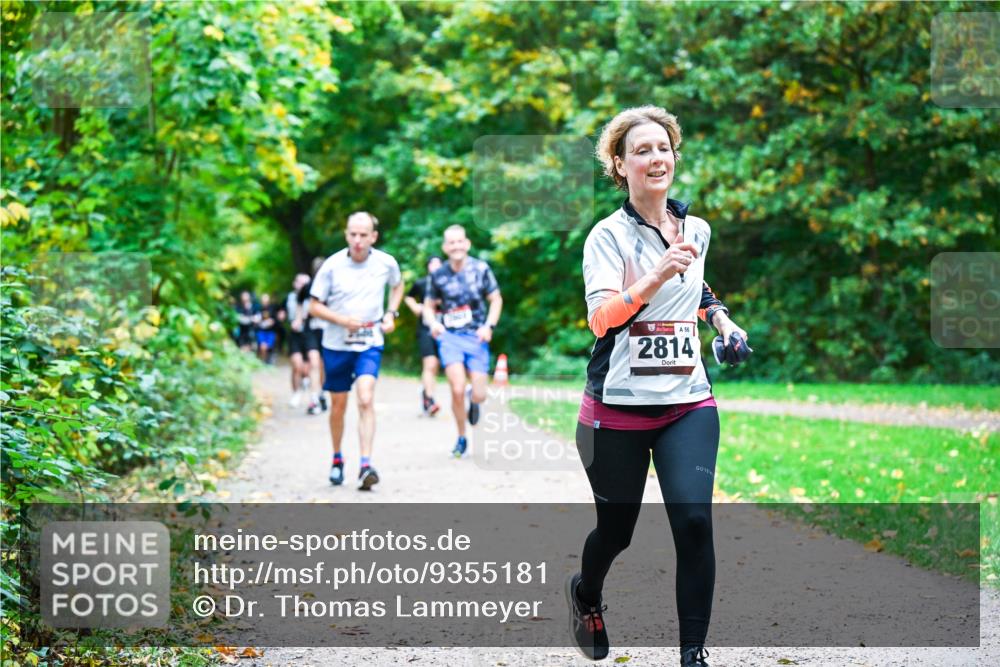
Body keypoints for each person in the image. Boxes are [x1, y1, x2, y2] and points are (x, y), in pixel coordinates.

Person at [566, 106, 749, 667]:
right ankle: (586, 593)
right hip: (616, 409)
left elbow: (696, 289)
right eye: (641, 150)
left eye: (663, 148)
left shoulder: (697, 229)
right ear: (620, 165)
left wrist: (723, 321)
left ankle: (692, 655)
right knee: (615, 533)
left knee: (694, 522)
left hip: (687, 402)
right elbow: (603, 320)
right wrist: (655, 275)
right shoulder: (606, 236)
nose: (655, 158)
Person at [309, 212, 404, 490]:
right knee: (338, 406)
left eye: (364, 235)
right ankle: (337, 458)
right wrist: (342, 320)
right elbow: (315, 305)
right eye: (353, 234)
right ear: (346, 234)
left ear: (373, 236)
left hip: (369, 342)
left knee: (365, 398)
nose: (358, 240)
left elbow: (397, 286)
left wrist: (391, 313)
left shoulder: (386, 263)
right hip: (336, 344)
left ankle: (366, 465)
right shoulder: (332, 265)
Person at [423, 225, 502, 457]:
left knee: (480, 394)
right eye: (451, 243)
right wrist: (434, 324)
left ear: (467, 244)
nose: (456, 246)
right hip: (450, 338)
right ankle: (461, 437)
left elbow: (496, 299)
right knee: (456, 388)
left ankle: (474, 400)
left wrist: (489, 326)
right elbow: (428, 305)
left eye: (460, 242)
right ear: (445, 247)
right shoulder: (438, 275)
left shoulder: (481, 269)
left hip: (476, 337)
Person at [403, 255, 444, 416]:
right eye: (432, 264)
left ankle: (426, 393)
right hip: (426, 329)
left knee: (438, 367)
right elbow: (408, 296)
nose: (436, 267)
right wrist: (416, 307)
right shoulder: (421, 283)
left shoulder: (448, 283)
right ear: (428, 267)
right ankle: (429, 399)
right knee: (430, 364)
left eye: (439, 264)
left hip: (445, 330)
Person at [305, 258, 328, 416]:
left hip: (327, 331)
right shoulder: (307, 287)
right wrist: (299, 318)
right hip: (311, 330)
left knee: (323, 365)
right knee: (314, 363)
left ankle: (321, 393)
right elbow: (301, 304)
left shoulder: (332, 286)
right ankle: (313, 398)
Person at [286, 273, 312, 408]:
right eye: (300, 282)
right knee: (297, 365)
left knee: (307, 368)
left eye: (305, 283)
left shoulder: (313, 298)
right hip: (294, 335)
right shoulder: (290, 298)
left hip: (309, 335)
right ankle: (296, 393)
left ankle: (307, 386)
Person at [255, 293, 280, 364]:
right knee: (263, 347)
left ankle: (268, 359)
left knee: (269, 347)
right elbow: (256, 319)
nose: (264, 301)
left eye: (266, 299)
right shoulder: (258, 309)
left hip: (270, 332)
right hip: (261, 331)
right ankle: (263, 361)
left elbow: (275, 320)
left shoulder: (272, 309)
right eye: (263, 300)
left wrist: (272, 321)